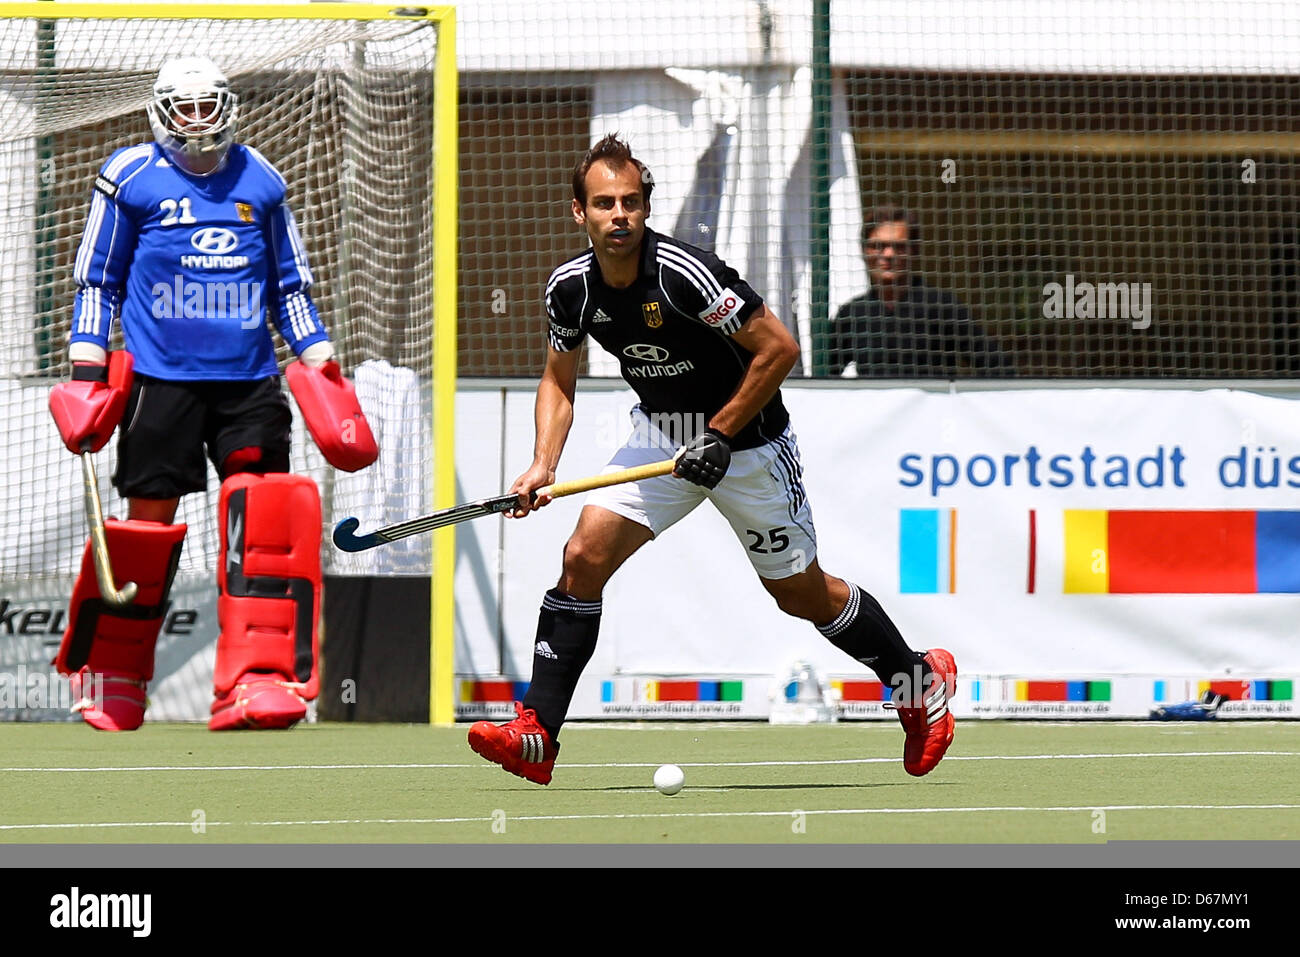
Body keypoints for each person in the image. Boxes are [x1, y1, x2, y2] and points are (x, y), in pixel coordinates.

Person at [468, 135, 956, 784]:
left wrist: (721, 432)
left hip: (749, 442)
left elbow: (778, 348)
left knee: (801, 595)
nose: (619, 215)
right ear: (577, 213)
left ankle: (916, 679)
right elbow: (559, 379)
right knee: (582, 556)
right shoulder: (570, 290)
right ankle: (537, 732)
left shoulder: (684, 274)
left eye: (631, 202)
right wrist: (542, 464)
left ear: (645, 208)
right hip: (662, 434)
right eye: (604, 203)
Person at [48, 57, 375, 732]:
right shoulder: (129, 177)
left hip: (248, 381)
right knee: (146, 526)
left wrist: (324, 365)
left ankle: (256, 677)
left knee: (263, 522)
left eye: (209, 105)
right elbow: (96, 281)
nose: (198, 119)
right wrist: (85, 370)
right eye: (185, 107)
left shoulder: (262, 179)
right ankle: (116, 676)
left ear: (226, 106)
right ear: (164, 112)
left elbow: (290, 286)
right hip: (159, 381)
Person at [828, 206, 1015, 377]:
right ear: (864, 251)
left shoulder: (942, 307)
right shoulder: (851, 314)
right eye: (879, 246)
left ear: (914, 251)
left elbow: (996, 366)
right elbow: (827, 376)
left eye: (899, 246)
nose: (888, 255)